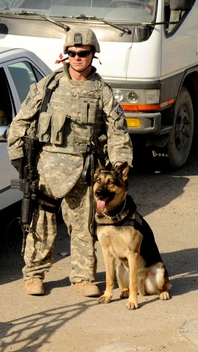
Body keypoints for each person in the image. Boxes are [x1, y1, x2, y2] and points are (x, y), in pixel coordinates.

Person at [8, 27, 133, 297]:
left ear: (93, 54)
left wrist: (121, 166)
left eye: (83, 53)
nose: (77, 58)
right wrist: (18, 158)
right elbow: (21, 121)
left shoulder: (103, 92)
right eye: (72, 53)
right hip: (47, 170)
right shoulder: (48, 86)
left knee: (84, 225)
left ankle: (82, 277)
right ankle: (34, 274)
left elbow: (118, 131)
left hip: (85, 169)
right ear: (66, 55)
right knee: (41, 223)